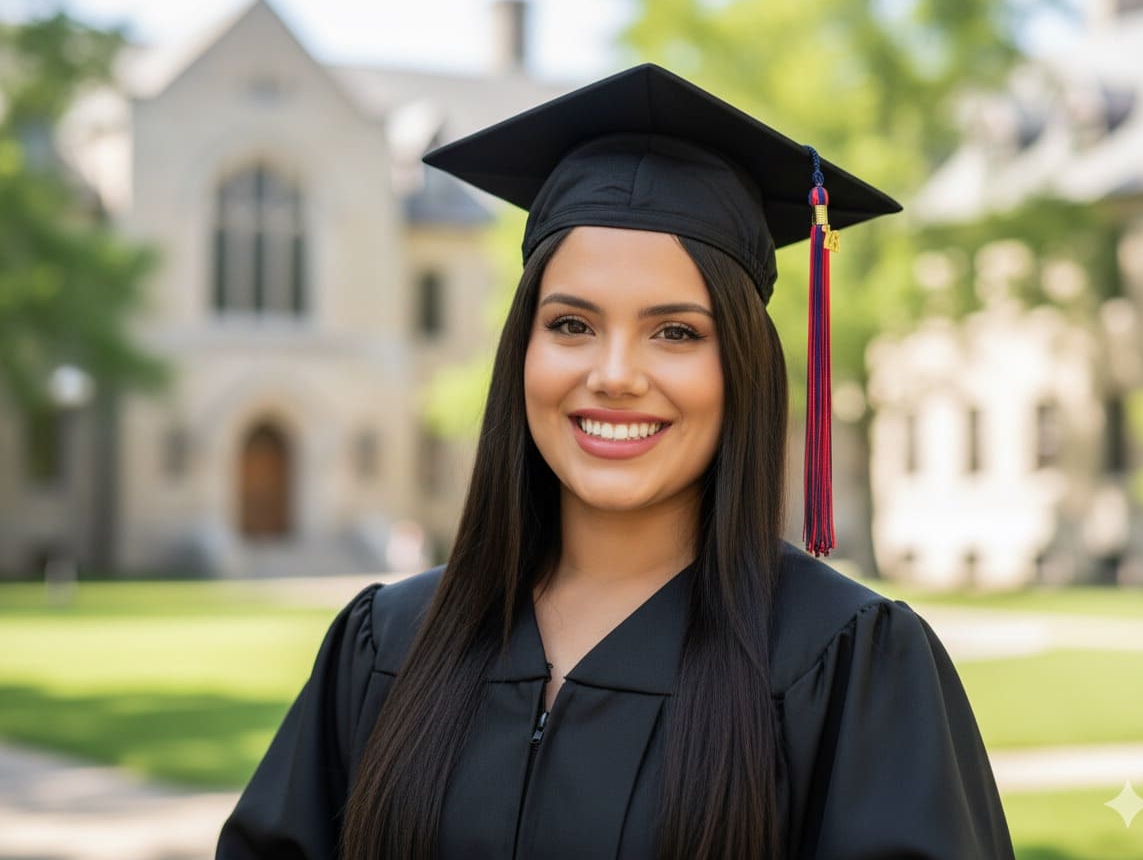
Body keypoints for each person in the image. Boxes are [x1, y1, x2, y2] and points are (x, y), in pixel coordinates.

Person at [216, 64, 1015, 860]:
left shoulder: (844, 667)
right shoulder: (387, 646)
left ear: (741, 367)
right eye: (572, 325)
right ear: (520, 351)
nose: (615, 374)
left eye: (676, 332)